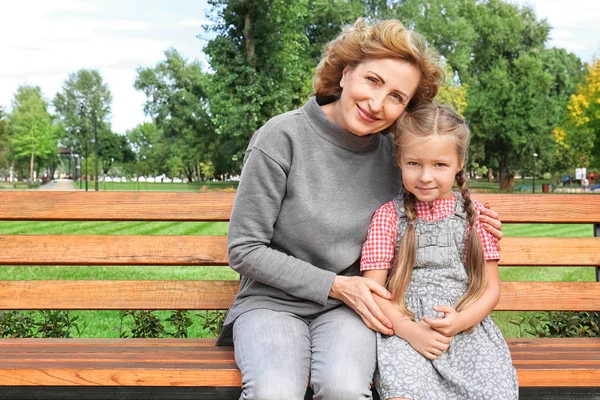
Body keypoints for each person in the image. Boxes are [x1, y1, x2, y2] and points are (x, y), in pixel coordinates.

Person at [217, 18, 504, 399]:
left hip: (353, 310)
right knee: (274, 391)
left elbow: (438, 196)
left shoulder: (397, 158)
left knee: (344, 389)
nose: (377, 104)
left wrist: (478, 219)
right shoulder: (281, 137)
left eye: (397, 97)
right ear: (345, 72)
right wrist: (336, 285)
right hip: (273, 303)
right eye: (372, 80)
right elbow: (245, 249)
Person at [361, 103, 517, 400]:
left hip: (466, 328)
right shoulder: (388, 217)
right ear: (399, 160)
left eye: (439, 165)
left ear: (460, 163)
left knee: (490, 389)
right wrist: (409, 330)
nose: (426, 177)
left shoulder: (476, 217)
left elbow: (490, 289)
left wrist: (460, 320)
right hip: (403, 328)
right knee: (405, 391)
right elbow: (374, 290)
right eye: (414, 163)